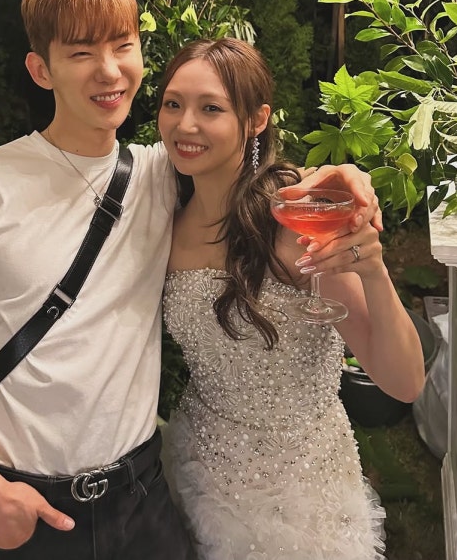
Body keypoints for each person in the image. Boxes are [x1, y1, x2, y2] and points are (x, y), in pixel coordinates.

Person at [0, 0, 381, 560]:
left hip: (143, 501)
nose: (108, 70)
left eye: (123, 45)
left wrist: (340, 177)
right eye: (80, 52)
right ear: (41, 69)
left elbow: (248, 167)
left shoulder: (162, 173)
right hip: (20, 503)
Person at [157, 37, 426, 560]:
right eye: (173, 104)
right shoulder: (164, 211)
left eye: (210, 108)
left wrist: (373, 270)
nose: (185, 125)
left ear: (256, 120)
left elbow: (406, 382)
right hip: (198, 469)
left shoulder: (294, 224)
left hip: (299, 492)